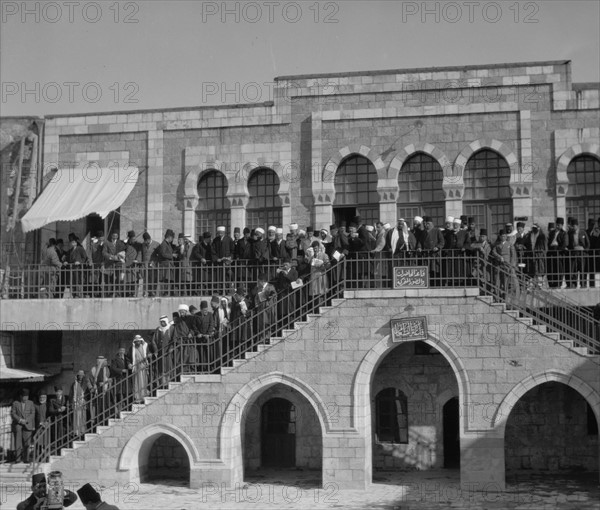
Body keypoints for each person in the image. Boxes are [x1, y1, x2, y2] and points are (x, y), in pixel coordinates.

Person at [11, 388, 36, 463]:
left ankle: (26, 459)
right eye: (24, 397)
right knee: (18, 442)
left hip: (27, 425)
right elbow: (13, 413)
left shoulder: (31, 403)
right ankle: (18, 459)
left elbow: (33, 413)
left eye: (27, 397)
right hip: (18, 425)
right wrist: (20, 420)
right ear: (20, 396)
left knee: (27, 443)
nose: (26, 398)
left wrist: (26, 420)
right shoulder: (15, 403)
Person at [151, 315, 174, 387]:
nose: (162, 323)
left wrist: (171, 347)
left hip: (168, 352)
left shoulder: (171, 328)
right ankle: (162, 384)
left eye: (163, 322)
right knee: (161, 368)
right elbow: (153, 341)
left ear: (166, 321)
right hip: (160, 352)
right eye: (161, 322)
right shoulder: (158, 329)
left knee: (168, 366)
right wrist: (156, 350)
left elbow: (174, 339)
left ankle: (168, 383)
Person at [70, 370, 93, 439]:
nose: (80, 377)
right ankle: (76, 433)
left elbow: (91, 391)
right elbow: (71, 394)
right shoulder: (74, 384)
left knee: (83, 418)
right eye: (79, 375)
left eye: (82, 375)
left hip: (84, 404)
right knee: (77, 418)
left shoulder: (86, 384)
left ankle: (83, 432)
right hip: (76, 404)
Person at [90, 355, 111, 426]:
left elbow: (108, 377)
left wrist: (106, 382)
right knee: (98, 406)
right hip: (98, 389)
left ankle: (106, 421)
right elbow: (92, 379)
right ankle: (98, 422)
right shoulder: (94, 369)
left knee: (106, 405)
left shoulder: (106, 369)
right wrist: (95, 385)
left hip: (105, 389)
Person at [131, 335, 150, 404]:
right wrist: (129, 364)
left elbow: (148, 355)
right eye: (136, 341)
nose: (138, 342)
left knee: (144, 381)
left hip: (143, 367)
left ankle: (143, 396)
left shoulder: (145, 347)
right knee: (137, 382)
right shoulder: (132, 348)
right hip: (136, 368)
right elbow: (129, 358)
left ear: (141, 341)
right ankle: (137, 397)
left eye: (139, 341)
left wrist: (148, 357)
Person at [156, 229, 176, 296]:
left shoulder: (168, 244)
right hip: (165, 265)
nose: (172, 239)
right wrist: (172, 255)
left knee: (168, 280)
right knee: (165, 280)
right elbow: (163, 254)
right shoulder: (163, 244)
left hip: (168, 265)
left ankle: (167, 292)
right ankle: (165, 293)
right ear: (169, 237)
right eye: (172, 238)